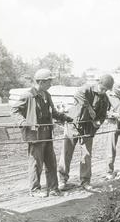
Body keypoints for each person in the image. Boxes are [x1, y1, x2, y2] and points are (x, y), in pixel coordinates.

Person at [11, 69, 73, 197]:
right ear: (41, 81)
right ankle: (35, 190)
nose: (51, 83)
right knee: (36, 163)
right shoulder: (28, 95)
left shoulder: (47, 95)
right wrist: (23, 122)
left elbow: (53, 112)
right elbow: (14, 111)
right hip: (35, 135)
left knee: (51, 162)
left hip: (47, 134)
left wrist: (65, 117)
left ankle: (53, 189)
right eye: (49, 81)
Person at [58, 74, 114, 190]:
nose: (104, 91)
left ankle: (85, 181)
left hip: (88, 128)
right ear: (99, 83)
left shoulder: (105, 99)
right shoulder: (86, 88)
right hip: (73, 124)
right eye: (102, 88)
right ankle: (62, 180)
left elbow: (102, 116)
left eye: (106, 90)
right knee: (66, 153)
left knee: (86, 155)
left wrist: (97, 124)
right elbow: (78, 94)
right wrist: (89, 108)